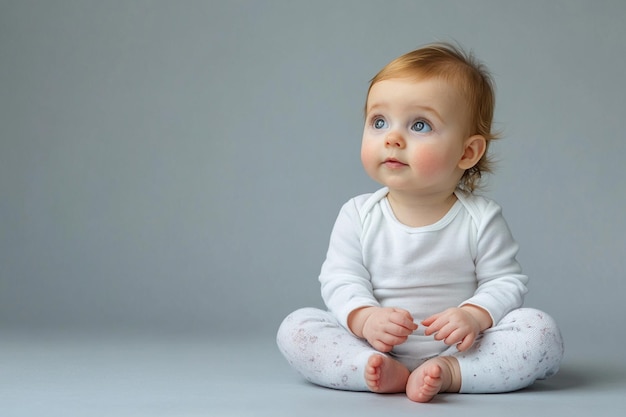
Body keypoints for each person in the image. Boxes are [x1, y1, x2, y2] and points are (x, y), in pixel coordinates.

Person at [276, 43, 564, 403]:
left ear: (467, 152)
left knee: (540, 332)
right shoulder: (358, 214)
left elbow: (504, 281)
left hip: (462, 346)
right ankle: (370, 366)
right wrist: (366, 319)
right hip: (376, 342)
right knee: (297, 328)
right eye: (378, 121)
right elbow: (340, 278)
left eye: (420, 125)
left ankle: (452, 373)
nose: (392, 138)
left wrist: (473, 316)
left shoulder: (480, 218)